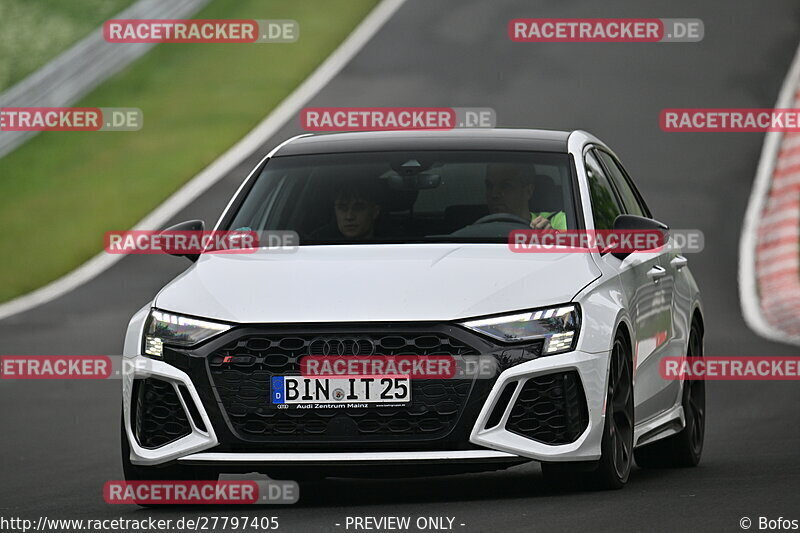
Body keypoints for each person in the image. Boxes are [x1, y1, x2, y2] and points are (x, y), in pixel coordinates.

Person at [484, 163, 567, 230]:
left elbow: (572, 248)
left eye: (505, 186)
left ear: (528, 191)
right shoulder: (478, 230)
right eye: (489, 186)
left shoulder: (557, 221)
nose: (494, 194)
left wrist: (552, 239)